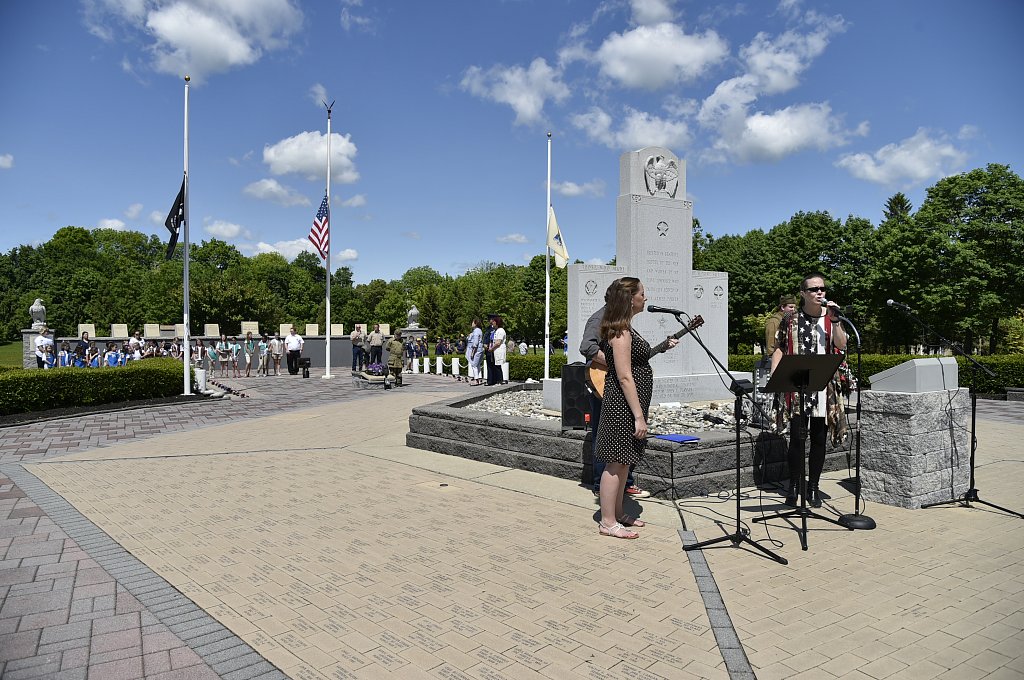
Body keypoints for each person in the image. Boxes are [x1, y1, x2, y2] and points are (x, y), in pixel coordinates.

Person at [594, 277, 679, 539]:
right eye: (643, 293)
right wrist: (639, 416)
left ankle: (618, 513)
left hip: (629, 406)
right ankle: (607, 522)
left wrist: (663, 346)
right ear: (631, 299)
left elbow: (639, 359)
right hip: (622, 407)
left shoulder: (627, 328)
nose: (646, 297)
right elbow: (624, 377)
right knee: (616, 462)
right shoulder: (620, 332)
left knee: (624, 462)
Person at [771, 273, 849, 508]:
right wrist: (777, 380)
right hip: (796, 385)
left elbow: (841, 344)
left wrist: (836, 321)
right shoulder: (790, 318)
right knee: (796, 438)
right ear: (803, 293)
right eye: (814, 289)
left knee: (818, 438)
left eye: (822, 288)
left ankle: (813, 486)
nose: (819, 292)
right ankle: (794, 485)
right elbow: (779, 348)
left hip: (824, 385)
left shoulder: (832, 317)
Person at [487, 316, 508, 385]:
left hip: (499, 350)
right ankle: (499, 380)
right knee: (496, 365)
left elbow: (498, 342)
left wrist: (491, 348)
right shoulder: (496, 331)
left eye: (493, 321)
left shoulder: (500, 330)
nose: (492, 323)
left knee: (498, 365)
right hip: (496, 350)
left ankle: (500, 380)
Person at [466, 319, 483, 385]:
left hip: (475, 350)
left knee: (474, 365)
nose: (471, 323)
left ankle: (476, 380)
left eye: (472, 322)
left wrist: (473, 352)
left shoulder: (476, 331)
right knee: (477, 365)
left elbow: (475, 343)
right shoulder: (478, 331)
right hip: (479, 350)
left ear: (475, 324)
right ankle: (479, 378)